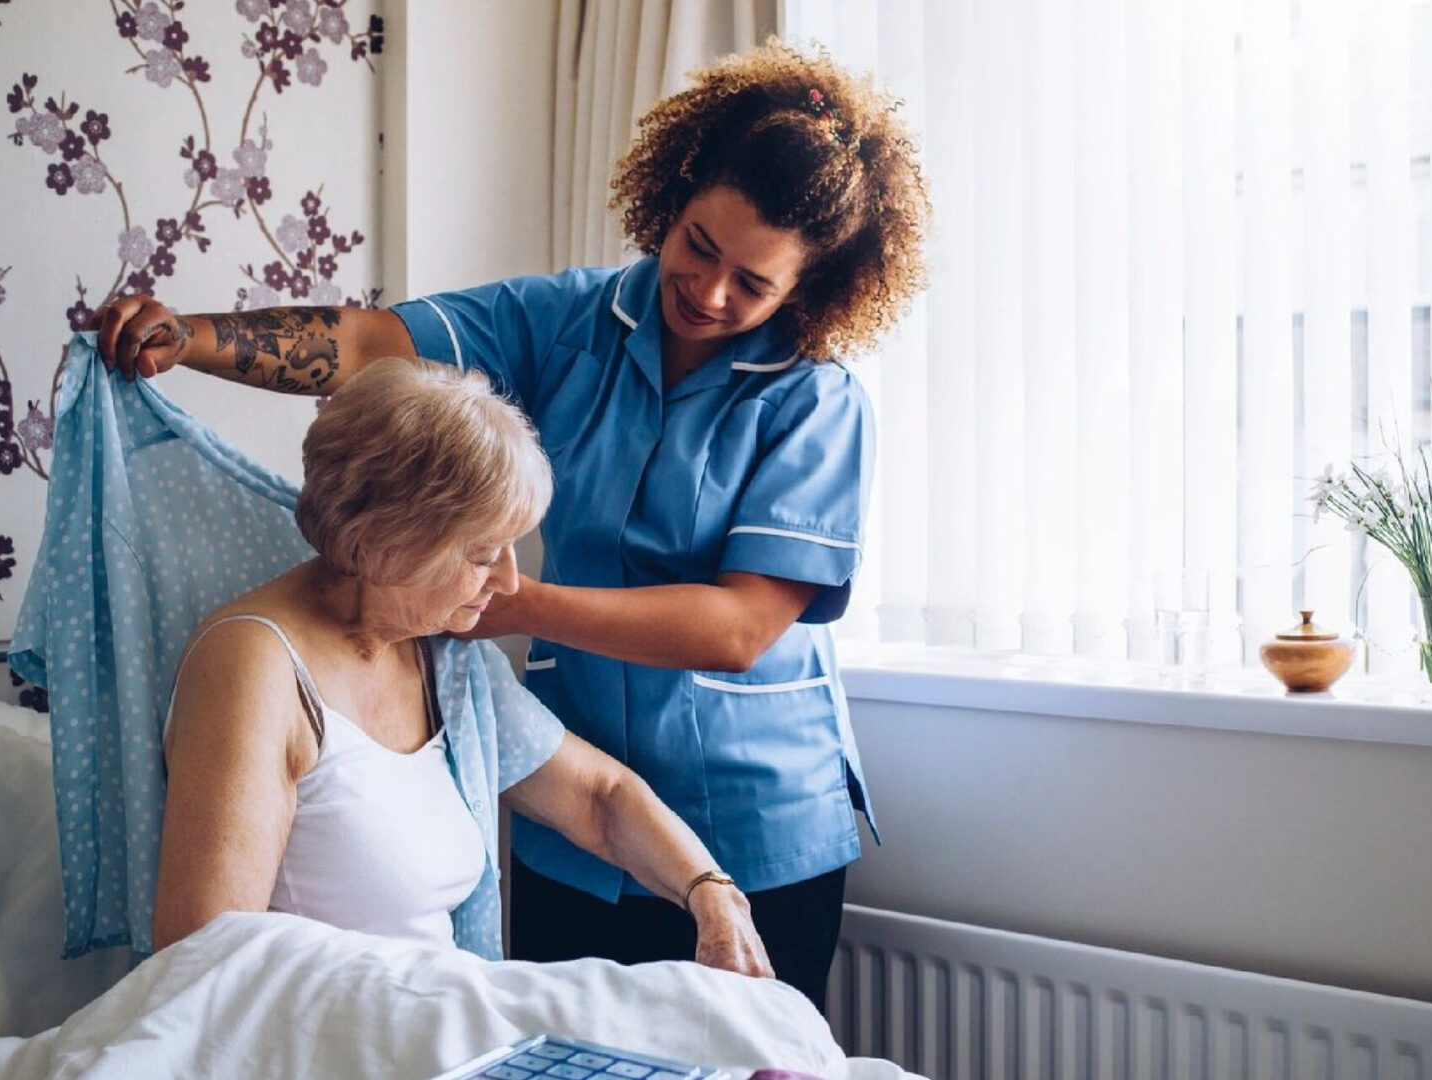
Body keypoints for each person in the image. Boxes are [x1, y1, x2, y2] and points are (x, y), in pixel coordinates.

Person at [97, 40, 930, 1010]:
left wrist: (499, 595)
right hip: (571, 827)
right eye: (700, 247)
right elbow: (369, 344)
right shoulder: (567, 321)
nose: (709, 292)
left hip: (753, 822)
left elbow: (739, 629)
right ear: (676, 197)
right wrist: (191, 338)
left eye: (753, 284)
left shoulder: (816, 401)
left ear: (812, 288)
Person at [154, 354, 772, 979]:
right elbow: (203, 963)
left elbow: (599, 796)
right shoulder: (255, 667)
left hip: (433, 1024)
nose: (508, 580)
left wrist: (709, 890)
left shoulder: (442, 656)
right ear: (378, 542)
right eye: (481, 555)